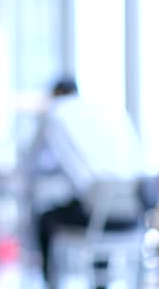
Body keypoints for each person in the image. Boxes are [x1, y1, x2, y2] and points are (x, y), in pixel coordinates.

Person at [28, 76, 144, 281]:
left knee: (46, 217)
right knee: (94, 207)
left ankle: (48, 281)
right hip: (132, 221)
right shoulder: (109, 114)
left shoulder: (58, 115)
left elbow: (32, 163)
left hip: (94, 221)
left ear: (56, 95)